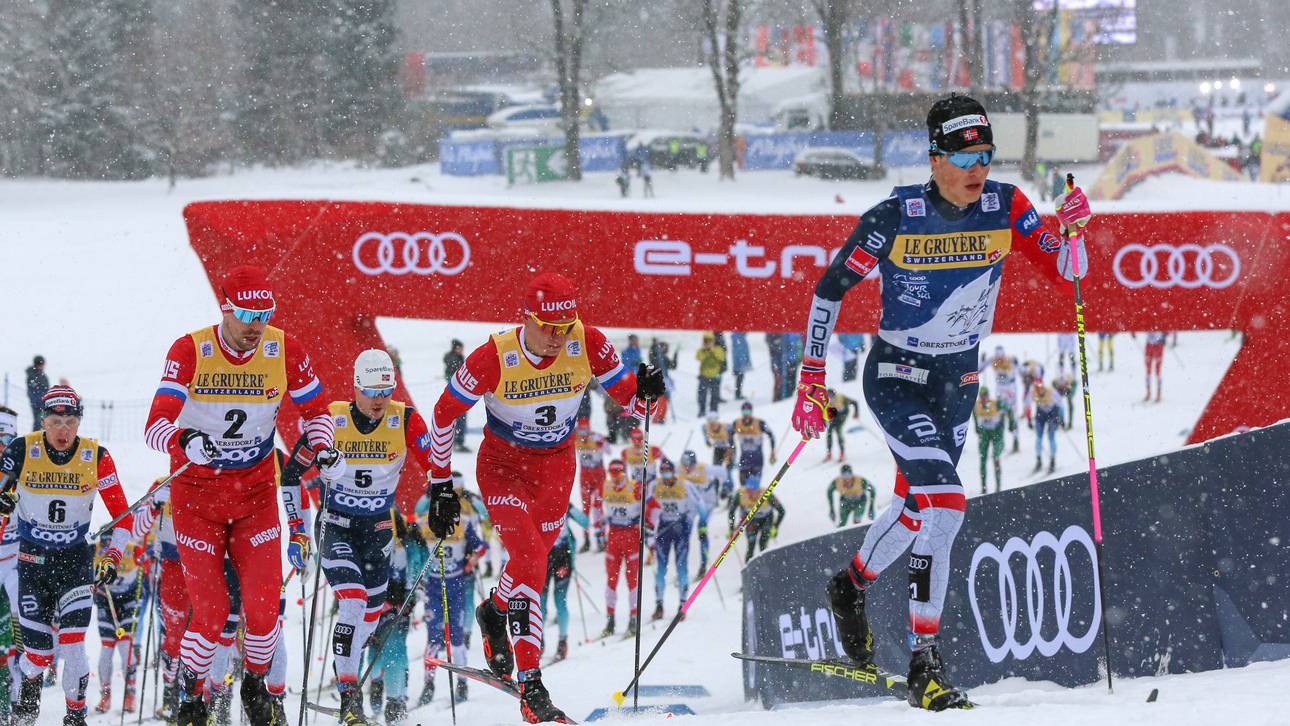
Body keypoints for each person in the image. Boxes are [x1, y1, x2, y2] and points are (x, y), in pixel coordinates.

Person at [790, 94, 1091, 711]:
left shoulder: (1005, 205)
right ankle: (925, 664)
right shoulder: (895, 215)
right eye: (963, 156)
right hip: (898, 375)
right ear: (934, 158)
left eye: (985, 154)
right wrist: (811, 374)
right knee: (947, 503)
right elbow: (831, 288)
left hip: (960, 380)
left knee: (912, 508)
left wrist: (1074, 228)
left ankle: (850, 585)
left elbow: (1068, 271)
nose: (976, 168)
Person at [425, 272, 660, 723]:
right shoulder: (493, 356)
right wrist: (439, 484)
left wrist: (648, 393)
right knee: (532, 562)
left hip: (557, 470)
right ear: (526, 318)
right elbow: (443, 412)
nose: (557, 337)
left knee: (532, 562)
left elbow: (633, 403)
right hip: (504, 471)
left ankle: (495, 611)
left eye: (565, 326)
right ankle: (532, 685)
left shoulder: (586, 341)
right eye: (548, 326)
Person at [143, 264, 341, 725]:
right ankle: (190, 694)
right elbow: (154, 427)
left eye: (265, 314)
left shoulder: (283, 347)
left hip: (253, 494)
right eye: (249, 313)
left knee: (264, 607)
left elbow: (317, 411)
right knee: (212, 612)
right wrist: (185, 441)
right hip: (197, 498)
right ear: (226, 308)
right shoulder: (190, 349)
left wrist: (324, 444)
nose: (257, 325)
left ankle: (254, 685)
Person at [0, 385, 134, 726]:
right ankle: (28, 694)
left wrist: (111, 557)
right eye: (56, 421)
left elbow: (124, 519)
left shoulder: (96, 456)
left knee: (74, 644)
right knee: (39, 654)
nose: (64, 430)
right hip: (32, 563)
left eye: (71, 421)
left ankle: (76, 716)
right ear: (43, 421)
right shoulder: (22, 448)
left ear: (79, 421)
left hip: (74, 563)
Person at [319, 348, 436, 723]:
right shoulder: (333, 417)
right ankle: (349, 696)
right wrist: (296, 527)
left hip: (377, 528)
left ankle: (361, 684)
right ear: (356, 386)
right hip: (336, 524)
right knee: (352, 603)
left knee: (370, 615)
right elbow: (293, 471)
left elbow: (435, 462)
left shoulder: (404, 419)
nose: (379, 399)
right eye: (371, 390)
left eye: (385, 390)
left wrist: (444, 493)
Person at [419, 489, 486, 707]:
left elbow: (480, 547)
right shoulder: (422, 524)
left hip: (455, 584)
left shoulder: (462, 523)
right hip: (434, 587)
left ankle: (461, 682)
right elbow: (414, 551)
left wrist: (470, 563)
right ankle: (428, 683)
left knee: (456, 636)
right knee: (433, 636)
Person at [367, 510, 427, 725]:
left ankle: (396, 701)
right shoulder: (368, 541)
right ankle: (376, 684)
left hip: (398, 607)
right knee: (373, 651)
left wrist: (413, 593)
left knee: (395, 652)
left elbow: (419, 569)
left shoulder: (408, 545)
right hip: (372, 606)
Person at [645, 460, 704, 621]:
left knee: (681, 566)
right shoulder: (654, 486)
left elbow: (700, 504)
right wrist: (647, 530)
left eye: (668, 472)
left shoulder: (685, 485)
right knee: (661, 568)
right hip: (664, 528)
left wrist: (701, 524)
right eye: (662, 472)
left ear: (673, 472)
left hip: (681, 527)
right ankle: (659, 605)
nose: (665, 476)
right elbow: (647, 506)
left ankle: (682, 605)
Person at [92, 535, 142, 715]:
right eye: (104, 543)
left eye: (110, 543)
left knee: (125, 647)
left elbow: (146, 565)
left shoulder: (132, 549)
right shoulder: (94, 550)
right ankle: (105, 694)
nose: (107, 547)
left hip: (127, 603)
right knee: (106, 650)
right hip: (106, 602)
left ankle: (130, 692)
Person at [600, 460, 642, 639]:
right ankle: (610, 620)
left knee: (632, 579)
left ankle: (633, 618)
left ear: (624, 473)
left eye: (618, 475)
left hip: (631, 535)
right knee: (611, 579)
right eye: (613, 475)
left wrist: (648, 528)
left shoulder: (635, 487)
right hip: (614, 536)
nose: (615, 480)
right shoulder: (607, 486)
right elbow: (598, 507)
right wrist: (598, 530)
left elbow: (650, 506)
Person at [540, 506, 587, 663]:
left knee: (560, 602)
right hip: (543, 558)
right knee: (540, 603)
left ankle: (562, 642)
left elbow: (586, 522)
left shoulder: (563, 502)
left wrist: (571, 509)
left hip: (562, 558)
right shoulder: (536, 500)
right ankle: (538, 640)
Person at [677, 450, 718, 574]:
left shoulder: (705, 469)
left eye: (689, 465)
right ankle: (682, 569)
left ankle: (703, 566)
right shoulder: (679, 469)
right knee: (684, 534)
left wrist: (723, 487)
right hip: (692, 505)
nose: (687, 468)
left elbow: (722, 474)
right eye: (684, 465)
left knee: (702, 531)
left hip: (707, 504)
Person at [728, 476, 783, 560]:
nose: (749, 493)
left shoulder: (766, 494)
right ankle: (749, 567)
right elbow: (731, 511)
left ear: (758, 490)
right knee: (751, 543)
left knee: (763, 543)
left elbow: (781, 511)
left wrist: (775, 527)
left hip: (766, 519)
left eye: (751, 490)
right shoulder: (741, 494)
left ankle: (766, 564)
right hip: (751, 520)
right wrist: (731, 528)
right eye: (747, 489)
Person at [573, 419, 608, 552]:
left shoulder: (596, 437)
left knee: (598, 507)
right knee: (586, 508)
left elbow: (609, 451)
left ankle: (601, 539)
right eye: (581, 431)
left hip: (599, 477)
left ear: (589, 429)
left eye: (585, 431)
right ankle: (586, 540)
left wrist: (602, 444)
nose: (583, 434)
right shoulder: (575, 438)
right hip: (585, 477)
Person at [984, 346, 1021, 453]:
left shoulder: (1010, 360)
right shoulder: (992, 360)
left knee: (1013, 413)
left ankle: (1015, 439)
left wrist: (1018, 364)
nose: (999, 360)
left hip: (1010, 389)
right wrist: (982, 360)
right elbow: (980, 368)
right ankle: (1000, 442)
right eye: (997, 357)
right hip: (999, 389)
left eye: (1000, 357)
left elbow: (1020, 370)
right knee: (1000, 413)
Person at [732, 401, 776, 488]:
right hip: (744, 459)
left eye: (748, 412)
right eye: (744, 412)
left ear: (751, 412)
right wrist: (731, 449)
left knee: (754, 487)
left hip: (757, 460)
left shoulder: (759, 423)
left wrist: (772, 451)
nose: (746, 414)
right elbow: (729, 434)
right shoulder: (737, 423)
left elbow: (771, 435)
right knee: (743, 488)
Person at [972, 387, 1005, 493]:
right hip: (985, 433)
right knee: (983, 460)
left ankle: (998, 486)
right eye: (982, 396)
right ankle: (984, 487)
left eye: (985, 396)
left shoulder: (996, 403)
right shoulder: (976, 405)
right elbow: (974, 415)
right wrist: (976, 426)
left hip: (997, 433)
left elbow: (1008, 409)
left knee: (996, 458)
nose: (983, 399)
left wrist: (1010, 423)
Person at [444, 339, 471, 453]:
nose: (462, 350)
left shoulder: (457, 358)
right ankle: (458, 441)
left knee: (457, 416)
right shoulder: (453, 359)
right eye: (460, 348)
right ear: (456, 348)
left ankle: (455, 441)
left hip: (458, 393)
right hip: (458, 394)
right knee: (460, 416)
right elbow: (455, 376)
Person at [1032, 379, 1063, 474]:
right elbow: (1027, 403)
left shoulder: (1051, 392)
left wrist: (1061, 417)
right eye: (1037, 388)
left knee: (1051, 437)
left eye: (1040, 387)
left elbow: (1060, 403)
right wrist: (1029, 418)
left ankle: (1053, 460)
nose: (1038, 390)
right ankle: (1038, 460)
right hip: (1041, 414)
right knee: (1039, 438)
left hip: (1051, 414)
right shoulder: (1033, 393)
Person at [824, 388, 861, 462]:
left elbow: (854, 402)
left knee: (838, 430)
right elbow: (823, 411)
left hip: (842, 415)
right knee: (829, 432)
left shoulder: (841, 397)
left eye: (832, 396)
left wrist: (856, 413)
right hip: (833, 415)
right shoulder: (825, 400)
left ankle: (842, 453)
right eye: (829, 397)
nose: (831, 399)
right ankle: (829, 452)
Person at [702, 413, 734, 497]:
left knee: (728, 470)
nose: (712, 426)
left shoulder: (726, 427)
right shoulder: (706, 427)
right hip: (718, 449)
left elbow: (732, 442)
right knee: (715, 471)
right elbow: (703, 430)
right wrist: (706, 441)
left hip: (729, 448)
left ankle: (728, 489)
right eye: (710, 424)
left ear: (717, 422)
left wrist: (729, 452)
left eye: (714, 423)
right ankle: (715, 491)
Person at [695, 332, 725, 416]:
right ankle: (702, 410)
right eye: (706, 341)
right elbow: (698, 357)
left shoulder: (718, 349)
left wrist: (712, 350)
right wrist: (705, 350)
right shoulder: (701, 351)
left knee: (715, 395)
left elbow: (721, 357)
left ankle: (713, 411)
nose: (707, 343)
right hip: (703, 376)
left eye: (709, 341)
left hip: (715, 376)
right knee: (702, 395)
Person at [24, 356, 48, 432]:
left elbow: (46, 389)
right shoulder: (33, 376)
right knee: (39, 421)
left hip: (44, 403)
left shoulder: (42, 375)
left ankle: (40, 439)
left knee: (44, 422)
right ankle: (34, 440)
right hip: (38, 404)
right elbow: (32, 391)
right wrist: (39, 402)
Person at [1144, 331, 1166, 401]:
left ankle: (1158, 394)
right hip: (1149, 345)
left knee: (1157, 371)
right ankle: (1148, 393)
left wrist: (1165, 336)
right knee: (1148, 370)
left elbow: (1168, 328)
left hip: (1158, 345)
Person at [730, 333, 752, 399]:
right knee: (740, 378)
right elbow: (740, 351)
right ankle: (738, 394)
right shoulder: (739, 337)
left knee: (740, 378)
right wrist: (743, 362)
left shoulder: (739, 337)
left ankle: (738, 393)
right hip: (739, 363)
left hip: (739, 362)